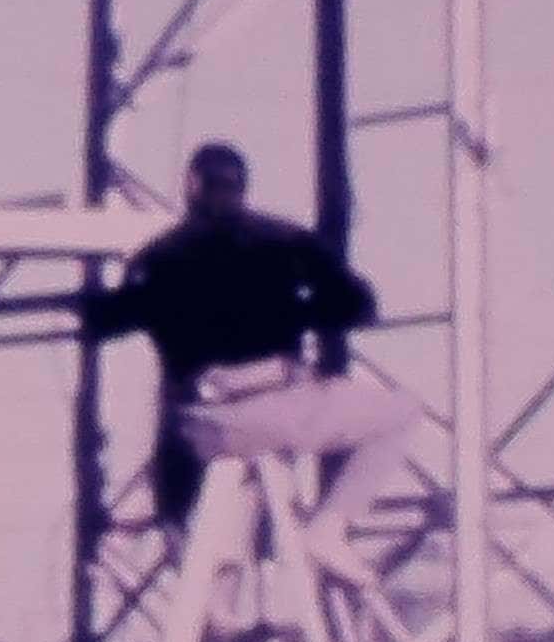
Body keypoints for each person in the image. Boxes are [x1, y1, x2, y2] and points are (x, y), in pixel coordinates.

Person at [81, 142, 380, 536]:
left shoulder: (161, 257)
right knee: (276, 510)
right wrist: (297, 314)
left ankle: (180, 533)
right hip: (275, 407)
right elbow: (358, 305)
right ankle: (323, 527)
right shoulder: (289, 243)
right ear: (242, 185)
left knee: (181, 515)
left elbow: (106, 320)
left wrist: (93, 302)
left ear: (191, 185)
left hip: (199, 419)